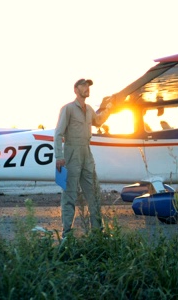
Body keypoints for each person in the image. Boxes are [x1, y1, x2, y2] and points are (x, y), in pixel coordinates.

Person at [54, 78, 113, 238]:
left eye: (88, 86)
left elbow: (99, 121)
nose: (87, 88)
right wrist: (59, 156)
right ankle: (67, 234)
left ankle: (97, 232)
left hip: (87, 153)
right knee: (69, 194)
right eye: (83, 85)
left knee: (93, 192)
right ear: (75, 89)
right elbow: (58, 133)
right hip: (71, 154)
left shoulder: (89, 110)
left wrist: (108, 109)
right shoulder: (68, 109)